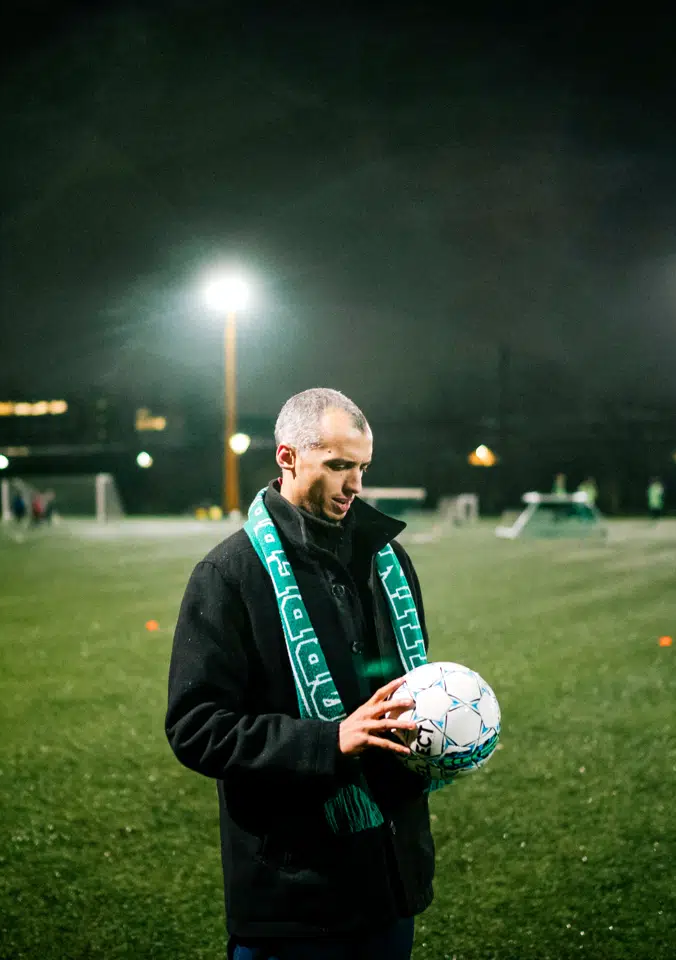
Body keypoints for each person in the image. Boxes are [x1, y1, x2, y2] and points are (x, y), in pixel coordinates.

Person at [167, 388, 437, 960]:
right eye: (338, 466)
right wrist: (328, 740)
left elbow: (404, 689)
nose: (356, 485)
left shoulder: (388, 561)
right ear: (287, 457)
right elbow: (196, 727)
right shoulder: (229, 574)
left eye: (362, 467)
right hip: (291, 897)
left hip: (390, 881)